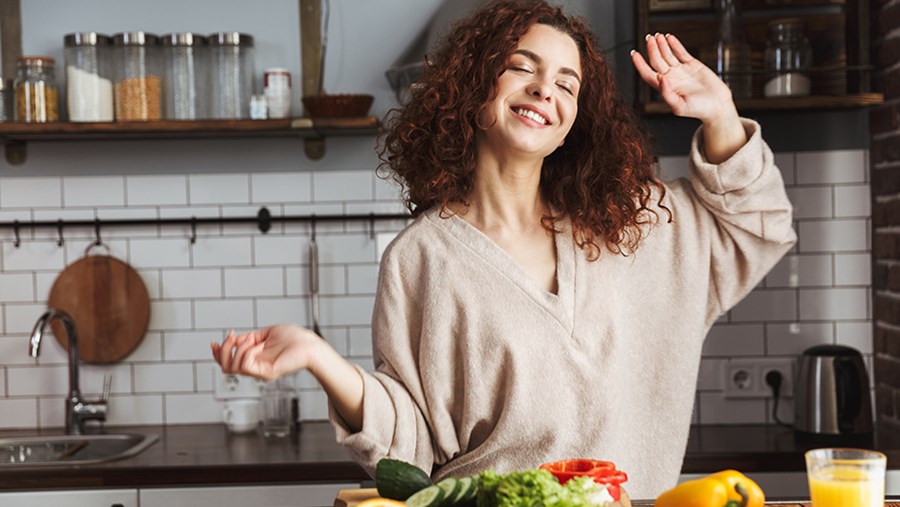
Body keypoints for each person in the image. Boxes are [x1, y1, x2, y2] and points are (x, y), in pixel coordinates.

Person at [212, 0, 796, 499]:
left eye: (568, 83)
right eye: (522, 67)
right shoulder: (423, 259)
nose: (546, 88)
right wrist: (319, 357)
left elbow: (755, 228)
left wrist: (720, 112)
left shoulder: (634, 223)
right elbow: (409, 444)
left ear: (571, 123)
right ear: (474, 88)